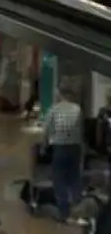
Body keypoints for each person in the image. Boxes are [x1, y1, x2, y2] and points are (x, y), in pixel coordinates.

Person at [43, 87, 84, 221]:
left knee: (59, 179)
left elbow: (46, 130)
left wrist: (44, 146)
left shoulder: (54, 110)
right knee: (74, 177)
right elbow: (81, 130)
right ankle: (78, 209)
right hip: (75, 147)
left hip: (60, 147)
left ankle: (63, 211)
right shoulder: (77, 109)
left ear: (60, 95)